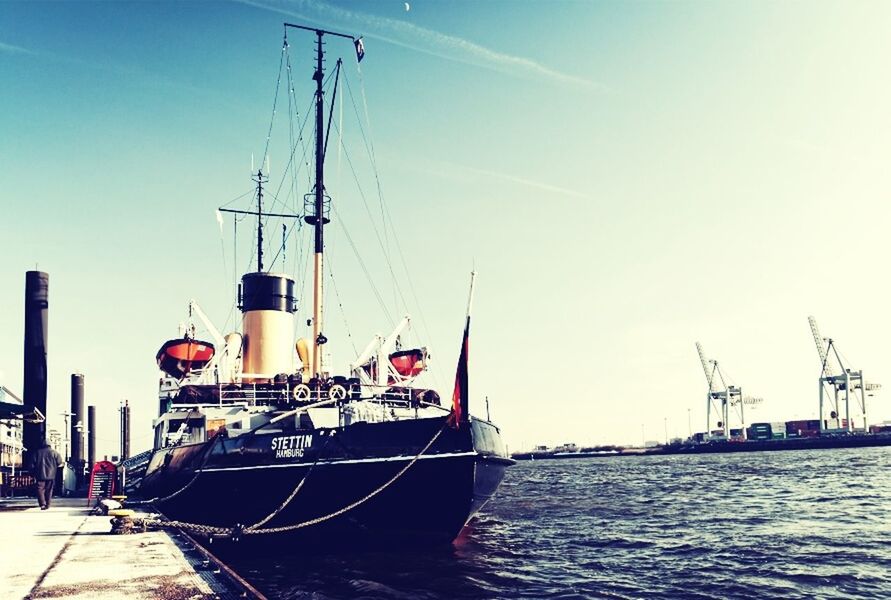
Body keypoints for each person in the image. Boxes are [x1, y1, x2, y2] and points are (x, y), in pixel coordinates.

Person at [30, 438, 64, 510]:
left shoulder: (37, 452)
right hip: (51, 475)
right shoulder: (55, 453)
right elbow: (60, 463)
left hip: (39, 475)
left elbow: (32, 465)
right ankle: (48, 504)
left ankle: (42, 504)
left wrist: (32, 473)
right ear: (50, 444)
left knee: (40, 489)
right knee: (49, 490)